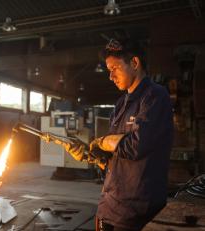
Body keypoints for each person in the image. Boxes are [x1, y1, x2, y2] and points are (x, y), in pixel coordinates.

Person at [66, 38, 173, 231]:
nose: (110, 76)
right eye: (109, 70)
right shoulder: (120, 104)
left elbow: (135, 146)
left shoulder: (155, 96)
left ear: (134, 63)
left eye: (115, 68)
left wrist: (103, 141)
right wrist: (90, 154)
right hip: (109, 206)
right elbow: (114, 156)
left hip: (135, 212)